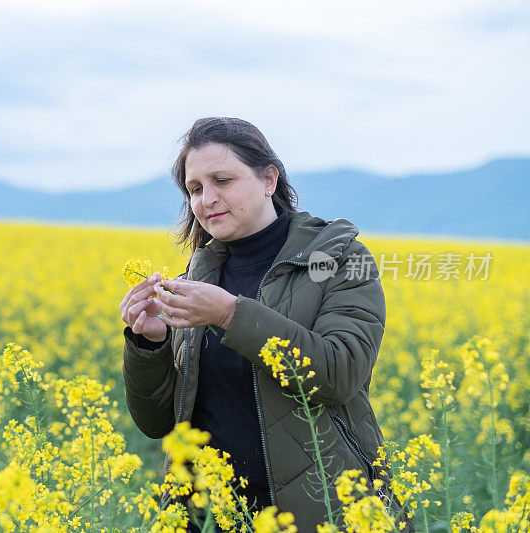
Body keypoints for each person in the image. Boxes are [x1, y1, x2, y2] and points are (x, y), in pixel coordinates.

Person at [120, 117, 409, 531]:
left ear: (269, 179)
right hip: (206, 516)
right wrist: (149, 344)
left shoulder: (339, 259)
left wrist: (230, 315)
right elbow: (158, 423)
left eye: (223, 180)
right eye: (196, 188)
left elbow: (340, 372)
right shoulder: (197, 278)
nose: (207, 200)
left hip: (316, 510)